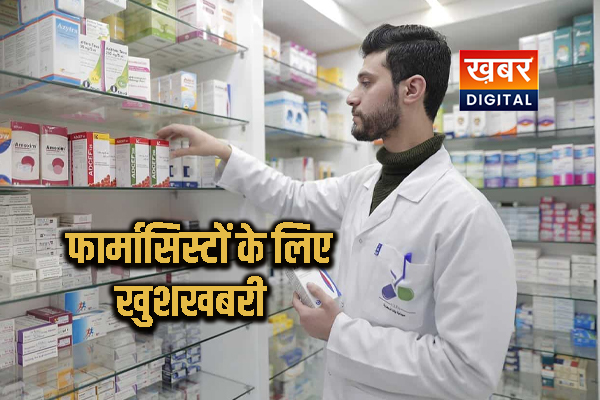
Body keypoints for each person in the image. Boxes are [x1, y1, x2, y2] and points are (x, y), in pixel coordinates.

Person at [157, 24, 516, 400]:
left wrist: (338, 331)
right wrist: (223, 151)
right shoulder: (365, 182)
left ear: (412, 89)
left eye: (366, 83)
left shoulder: (467, 217)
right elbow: (293, 197)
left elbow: (468, 374)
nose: (351, 97)